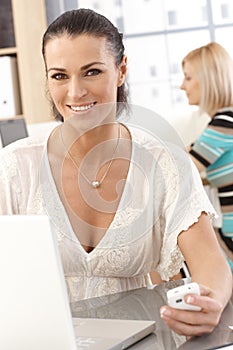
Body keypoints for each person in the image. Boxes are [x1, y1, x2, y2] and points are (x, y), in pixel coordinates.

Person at [0, 9, 231, 337]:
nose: (75, 92)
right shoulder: (13, 169)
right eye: (60, 76)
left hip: (144, 341)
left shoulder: (165, 163)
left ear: (121, 70)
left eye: (91, 72)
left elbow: (210, 261)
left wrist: (212, 301)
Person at [181, 42, 233, 272]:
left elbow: (182, 168)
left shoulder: (225, 122)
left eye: (188, 78)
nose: (182, 86)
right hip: (227, 233)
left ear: (208, 79)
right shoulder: (224, 122)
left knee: (176, 256)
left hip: (230, 243)